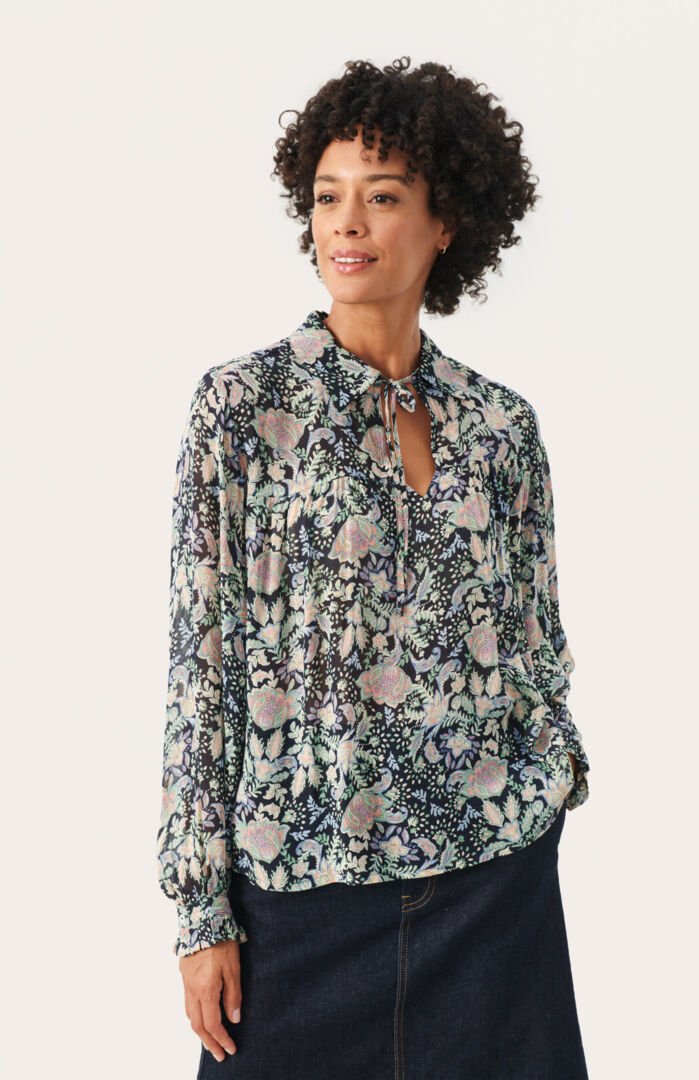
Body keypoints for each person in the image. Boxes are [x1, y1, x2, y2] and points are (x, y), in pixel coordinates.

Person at [156, 56, 591, 1080]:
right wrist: (199, 909)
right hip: (300, 909)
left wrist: (551, 780)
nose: (346, 224)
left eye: (383, 197)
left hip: (492, 900)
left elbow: (537, 644)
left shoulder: (501, 427)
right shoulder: (242, 411)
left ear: (446, 224)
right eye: (327, 197)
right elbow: (200, 668)